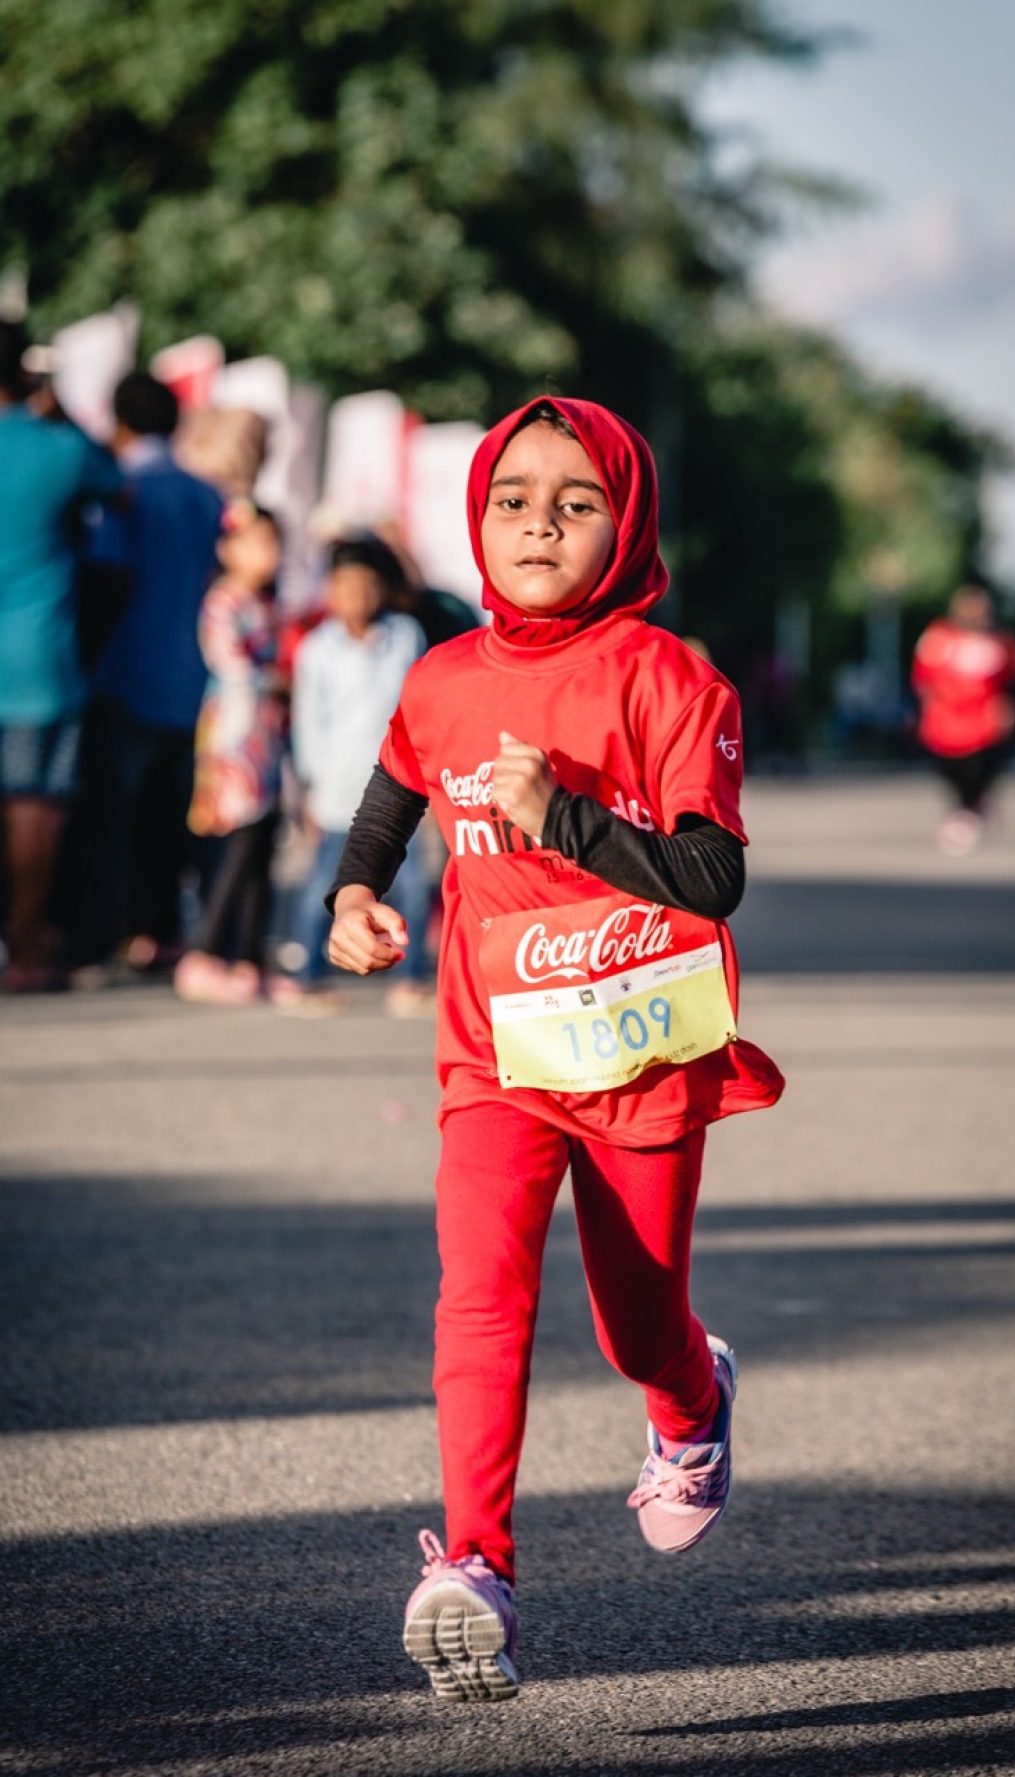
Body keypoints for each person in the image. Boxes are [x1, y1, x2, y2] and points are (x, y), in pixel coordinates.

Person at [325, 397, 785, 1701]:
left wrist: (565, 820)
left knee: (636, 1323)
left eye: (575, 501)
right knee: (480, 1298)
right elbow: (390, 801)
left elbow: (712, 877)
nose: (538, 520)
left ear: (626, 521)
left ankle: (691, 1401)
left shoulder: (669, 677)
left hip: (640, 1055)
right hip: (493, 1058)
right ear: (475, 519)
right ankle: (477, 1570)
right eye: (511, 497)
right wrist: (354, 898)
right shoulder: (445, 676)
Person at [71, 371, 224, 974]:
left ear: (120, 420)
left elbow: (108, 574)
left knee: (111, 819)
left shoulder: (124, 489)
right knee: (169, 820)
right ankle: (160, 935)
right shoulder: (206, 493)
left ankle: (105, 935)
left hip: (127, 672)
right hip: (192, 680)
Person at [0, 321, 123, 992]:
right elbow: (117, 484)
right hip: (36, 655)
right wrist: (56, 410)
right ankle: (23, 944)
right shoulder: (54, 447)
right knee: (34, 803)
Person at [282, 537, 427, 1014]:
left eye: (366, 587)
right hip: (337, 788)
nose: (357, 598)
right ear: (329, 591)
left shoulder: (404, 635)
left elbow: (417, 708)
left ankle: (410, 977)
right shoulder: (318, 649)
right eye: (345, 587)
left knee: (411, 887)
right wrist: (308, 788)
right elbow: (308, 723)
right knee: (325, 886)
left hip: (398, 786)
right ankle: (308, 978)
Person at [173, 504, 287, 1004]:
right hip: (234, 738)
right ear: (228, 550)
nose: (269, 554)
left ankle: (248, 957)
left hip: (264, 735)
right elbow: (234, 667)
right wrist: (275, 680)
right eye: (257, 542)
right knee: (238, 844)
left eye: (273, 542)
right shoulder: (223, 603)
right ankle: (206, 952)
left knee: (262, 844)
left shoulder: (264, 604)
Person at [912, 584, 1015, 855]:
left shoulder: (1000, 641)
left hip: (985, 720)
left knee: (983, 766)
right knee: (949, 769)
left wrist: (1007, 707)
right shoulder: (938, 637)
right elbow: (923, 676)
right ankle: (964, 807)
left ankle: (969, 810)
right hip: (946, 719)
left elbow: (1013, 678)